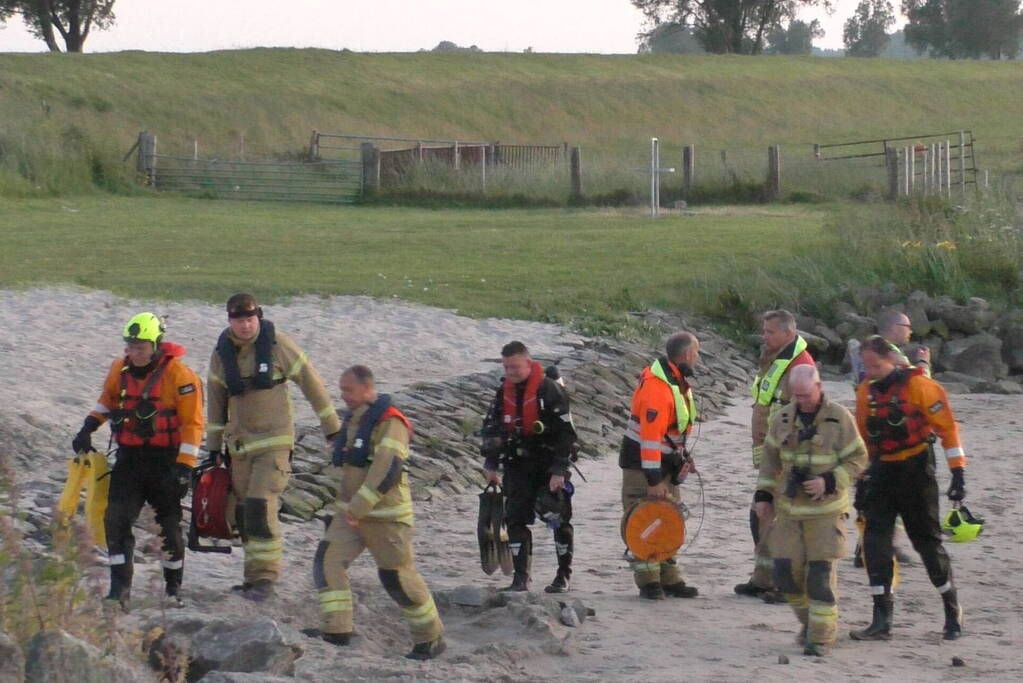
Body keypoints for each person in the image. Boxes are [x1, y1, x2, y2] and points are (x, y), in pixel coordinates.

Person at [205, 293, 341, 601]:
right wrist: (213, 447)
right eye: (239, 321)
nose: (245, 326)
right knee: (242, 513)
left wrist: (332, 428)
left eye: (250, 320)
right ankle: (253, 579)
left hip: (275, 442)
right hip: (239, 447)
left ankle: (267, 577)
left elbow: (311, 383)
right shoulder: (221, 354)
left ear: (259, 317)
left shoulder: (278, 344)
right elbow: (215, 402)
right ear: (230, 321)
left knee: (260, 503)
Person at [71, 312, 204, 609]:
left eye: (140, 346)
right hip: (129, 460)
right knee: (115, 521)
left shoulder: (181, 377)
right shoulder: (119, 369)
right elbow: (107, 400)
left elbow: (193, 425)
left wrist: (185, 467)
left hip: (166, 463)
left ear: (156, 344)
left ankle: (172, 590)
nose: (134, 352)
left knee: (168, 528)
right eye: (130, 345)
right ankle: (119, 592)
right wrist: (88, 426)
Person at [312, 365, 444, 660]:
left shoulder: (390, 422)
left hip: (387, 517)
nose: (343, 396)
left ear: (368, 388)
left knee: (397, 577)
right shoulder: (355, 419)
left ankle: (430, 637)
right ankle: (337, 630)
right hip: (350, 515)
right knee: (327, 562)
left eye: (349, 390)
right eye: (342, 389)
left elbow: (388, 469)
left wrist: (360, 505)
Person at [850, 335, 967, 642]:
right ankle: (881, 619)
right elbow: (865, 439)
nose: (870, 371)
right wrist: (862, 478)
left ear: (893, 360)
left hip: (916, 470)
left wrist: (958, 474)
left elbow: (948, 429)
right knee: (875, 542)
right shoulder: (866, 393)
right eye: (866, 365)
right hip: (883, 470)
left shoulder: (920, 387)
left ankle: (951, 611)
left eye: (876, 365)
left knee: (926, 543)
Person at [755, 365, 867, 656]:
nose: (800, 401)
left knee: (819, 577)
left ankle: (821, 638)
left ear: (819, 387)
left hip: (826, 513)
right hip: (790, 512)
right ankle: (808, 624)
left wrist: (829, 481)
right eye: (796, 396)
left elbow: (859, 459)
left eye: (805, 395)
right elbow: (769, 461)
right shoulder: (782, 418)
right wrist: (763, 495)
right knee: (786, 575)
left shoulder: (840, 418)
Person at [481, 341, 578, 593]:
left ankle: (563, 575)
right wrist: (491, 464)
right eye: (506, 367)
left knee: (557, 517)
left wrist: (559, 470)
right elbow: (492, 429)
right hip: (517, 465)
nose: (511, 372)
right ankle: (521, 578)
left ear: (528, 362)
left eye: (515, 366)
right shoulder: (504, 392)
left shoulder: (550, 390)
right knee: (514, 519)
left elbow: (566, 434)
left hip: (549, 465)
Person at [735, 309, 815, 602]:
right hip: (771, 455)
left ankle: (787, 583)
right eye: (764, 331)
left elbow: (803, 417)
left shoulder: (800, 366)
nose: (764, 337)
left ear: (787, 333)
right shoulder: (776, 361)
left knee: (782, 521)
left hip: (788, 459)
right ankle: (763, 578)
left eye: (770, 332)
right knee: (762, 514)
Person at [619, 331, 701, 600]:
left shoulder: (673, 381)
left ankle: (669, 578)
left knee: (670, 519)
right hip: (644, 468)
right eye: (696, 354)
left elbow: (670, 432)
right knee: (644, 520)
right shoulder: (657, 387)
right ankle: (648, 581)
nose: (698, 359)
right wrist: (653, 481)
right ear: (687, 355)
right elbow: (650, 439)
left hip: (664, 463)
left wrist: (682, 458)